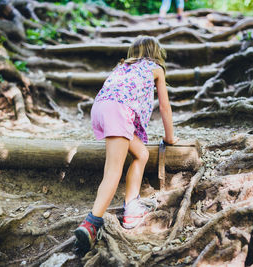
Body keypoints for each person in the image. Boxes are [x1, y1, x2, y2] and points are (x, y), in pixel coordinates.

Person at [74, 35, 179, 253]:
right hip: (119, 111)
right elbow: (165, 108)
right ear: (156, 53)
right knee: (113, 171)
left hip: (101, 108)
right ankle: (91, 224)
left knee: (141, 153)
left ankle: (131, 208)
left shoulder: (122, 66)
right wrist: (170, 139)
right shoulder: (155, 68)